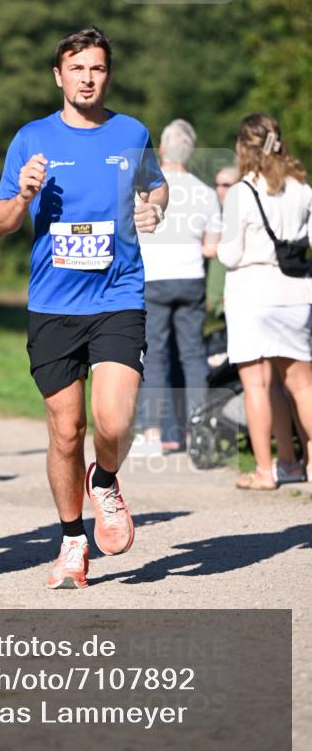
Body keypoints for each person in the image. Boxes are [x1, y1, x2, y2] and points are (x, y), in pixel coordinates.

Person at [0, 27, 168, 589]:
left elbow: (157, 187)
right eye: (78, 68)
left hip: (118, 296)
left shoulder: (131, 131)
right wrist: (21, 193)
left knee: (113, 420)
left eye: (97, 68)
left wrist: (153, 208)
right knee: (65, 431)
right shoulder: (31, 139)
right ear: (58, 76)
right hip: (53, 304)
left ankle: (107, 479)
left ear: (106, 74)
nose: (88, 78)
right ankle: (71, 540)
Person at [217, 113, 312, 490]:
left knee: (256, 385)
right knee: (301, 385)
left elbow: (229, 254)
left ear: (244, 146)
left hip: (251, 295)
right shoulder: (302, 188)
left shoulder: (243, 191)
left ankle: (264, 470)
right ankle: (296, 463)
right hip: (295, 293)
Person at [136, 120, 221, 452]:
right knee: (193, 355)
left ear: (161, 149)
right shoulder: (207, 193)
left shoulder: (145, 189)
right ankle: (200, 432)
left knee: (154, 355)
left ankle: (154, 434)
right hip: (191, 279)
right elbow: (211, 246)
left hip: (154, 278)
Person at [205, 165, 239, 318]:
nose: (219, 190)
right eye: (217, 185)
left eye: (226, 185)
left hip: (234, 299)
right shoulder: (215, 214)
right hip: (215, 304)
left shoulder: (244, 217)